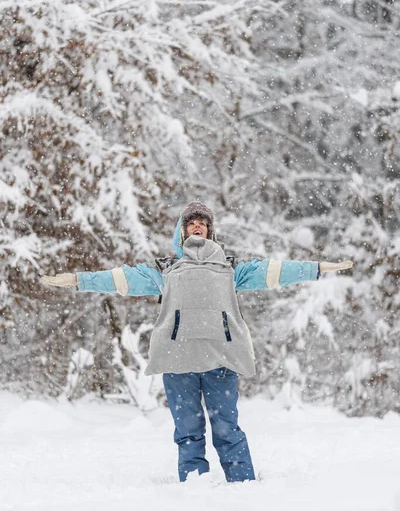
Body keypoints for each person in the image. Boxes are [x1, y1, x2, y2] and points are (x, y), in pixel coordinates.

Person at [42, 201, 353, 483]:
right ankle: (194, 489)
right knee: (188, 434)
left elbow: (276, 271)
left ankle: (243, 487)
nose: (197, 226)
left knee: (227, 431)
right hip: (178, 361)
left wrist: (317, 268)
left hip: (221, 359)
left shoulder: (231, 270)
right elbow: (120, 279)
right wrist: (79, 280)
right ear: (182, 231)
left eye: (203, 222)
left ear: (211, 231)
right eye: (191, 222)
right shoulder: (165, 270)